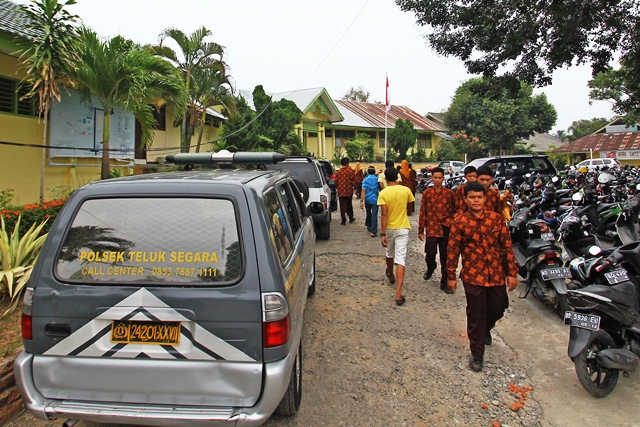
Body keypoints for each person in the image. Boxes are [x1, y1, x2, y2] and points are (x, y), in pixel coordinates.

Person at [446, 181, 519, 372]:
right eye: (472, 197)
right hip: (472, 275)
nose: (476, 201)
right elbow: (453, 250)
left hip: (495, 273)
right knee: (476, 313)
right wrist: (450, 276)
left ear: (485, 199)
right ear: (466, 199)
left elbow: (506, 247)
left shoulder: (496, 219)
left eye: (479, 197)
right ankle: (477, 354)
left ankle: (486, 328)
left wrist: (512, 272)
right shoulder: (459, 222)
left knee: (499, 305)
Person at [378, 167, 415, 306]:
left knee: (389, 252)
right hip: (403, 227)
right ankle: (399, 293)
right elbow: (410, 208)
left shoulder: (383, 193)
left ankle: (391, 274)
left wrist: (382, 234)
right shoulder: (406, 190)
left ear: (386, 179)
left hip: (389, 228)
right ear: (398, 177)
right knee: (401, 259)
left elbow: (384, 214)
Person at [417, 167, 456, 294]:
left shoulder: (449, 194)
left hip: (445, 229)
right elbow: (423, 211)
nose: (438, 180)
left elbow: (456, 210)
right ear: (432, 178)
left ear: (443, 178)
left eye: (440, 178)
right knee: (430, 254)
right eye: (435, 177)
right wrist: (420, 230)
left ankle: (444, 283)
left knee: (445, 257)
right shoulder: (427, 193)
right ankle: (431, 267)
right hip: (432, 228)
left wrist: (451, 222)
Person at [360, 166, 380, 237]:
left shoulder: (365, 180)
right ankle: (373, 231)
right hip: (375, 199)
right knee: (374, 215)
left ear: (368, 172)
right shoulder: (377, 179)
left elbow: (363, 190)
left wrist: (361, 201)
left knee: (368, 213)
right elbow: (380, 189)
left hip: (367, 199)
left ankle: (369, 225)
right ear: (374, 172)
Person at [335, 157, 356, 225]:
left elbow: (336, 182)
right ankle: (351, 218)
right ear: (347, 163)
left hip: (341, 191)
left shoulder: (338, 172)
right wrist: (355, 187)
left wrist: (337, 187)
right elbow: (353, 181)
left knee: (342, 206)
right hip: (348, 191)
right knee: (349, 205)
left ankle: (343, 220)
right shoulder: (350, 171)